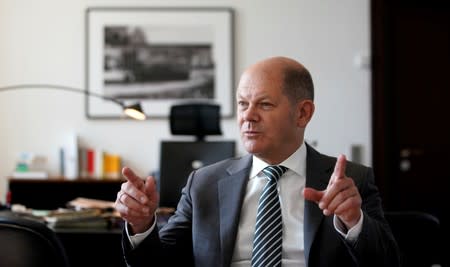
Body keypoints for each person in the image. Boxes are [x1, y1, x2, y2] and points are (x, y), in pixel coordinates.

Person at [114, 56, 400, 267]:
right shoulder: (204, 183)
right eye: (242, 104)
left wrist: (354, 221)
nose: (248, 116)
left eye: (264, 104)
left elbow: (387, 263)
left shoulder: (351, 181)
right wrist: (142, 226)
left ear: (303, 114)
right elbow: (159, 263)